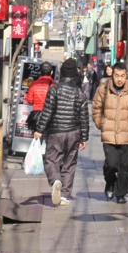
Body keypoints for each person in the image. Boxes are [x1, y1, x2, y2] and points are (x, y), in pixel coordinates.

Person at [35, 58, 89, 206]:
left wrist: (39, 129)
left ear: (62, 73)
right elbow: (84, 115)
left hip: (56, 132)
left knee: (51, 160)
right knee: (69, 163)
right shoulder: (79, 92)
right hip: (74, 132)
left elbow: (47, 111)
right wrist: (84, 137)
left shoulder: (54, 89)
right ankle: (64, 195)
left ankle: (55, 180)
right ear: (74, 75)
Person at [92, 59, 128, 204]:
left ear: (126, 75)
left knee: (124, 167)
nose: (119, 79)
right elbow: (96, 108)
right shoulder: (103, 89)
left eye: (122, 76)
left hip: (126, 134)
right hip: (109, 133)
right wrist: (100, 123)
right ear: (112, 75)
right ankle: (110, 182)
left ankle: (120, 193)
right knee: (111, 164)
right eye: (117, 76)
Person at [24, 61, 54, 134]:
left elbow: (29, 100)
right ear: (51, 72)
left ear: (40, 72)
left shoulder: (34, 84)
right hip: (50, 117)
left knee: (37, 139)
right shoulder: (55, 85)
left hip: (37, 117)